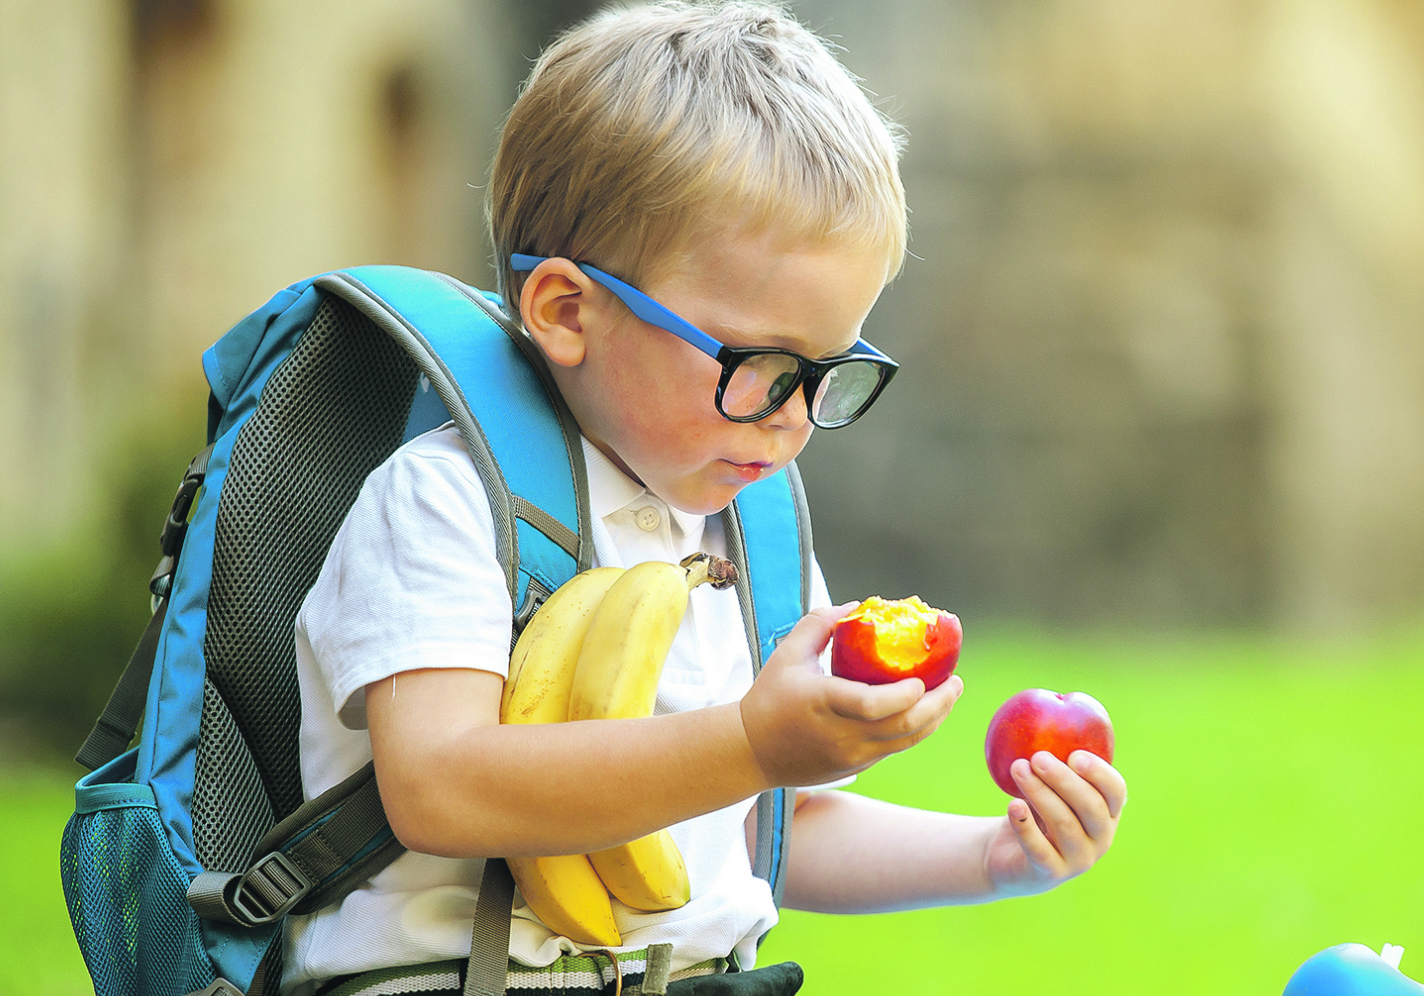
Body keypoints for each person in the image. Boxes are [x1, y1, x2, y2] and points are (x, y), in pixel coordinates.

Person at [285, 3, 1127, 992]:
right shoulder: (443, 503)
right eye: (761, 363)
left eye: (828, 370)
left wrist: (994, 857)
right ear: (567, 311)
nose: (790, 419)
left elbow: (772, 827)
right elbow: (439, 788)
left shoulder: (754, 529)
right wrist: (746, 742)